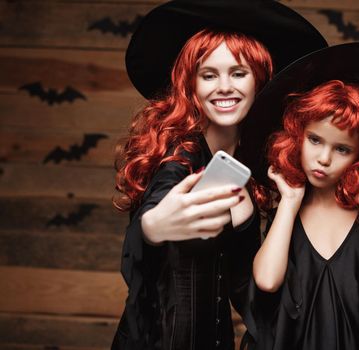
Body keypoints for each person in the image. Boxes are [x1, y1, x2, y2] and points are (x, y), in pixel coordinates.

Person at [111, 1, 327, 349]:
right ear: (191, 86)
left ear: (260, 80)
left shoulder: (249, 167)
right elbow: (154, 214)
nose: (224, 87)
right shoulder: (177, 156)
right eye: (208, 75)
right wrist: (151, 228)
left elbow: (246, 291)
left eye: (238, 73)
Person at [243, 43, 359, 350]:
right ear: (296, 137)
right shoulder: (286, 213)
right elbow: (266, 281)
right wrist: (289, 204)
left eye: (342, 149)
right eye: (315, 140)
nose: (324, 158)